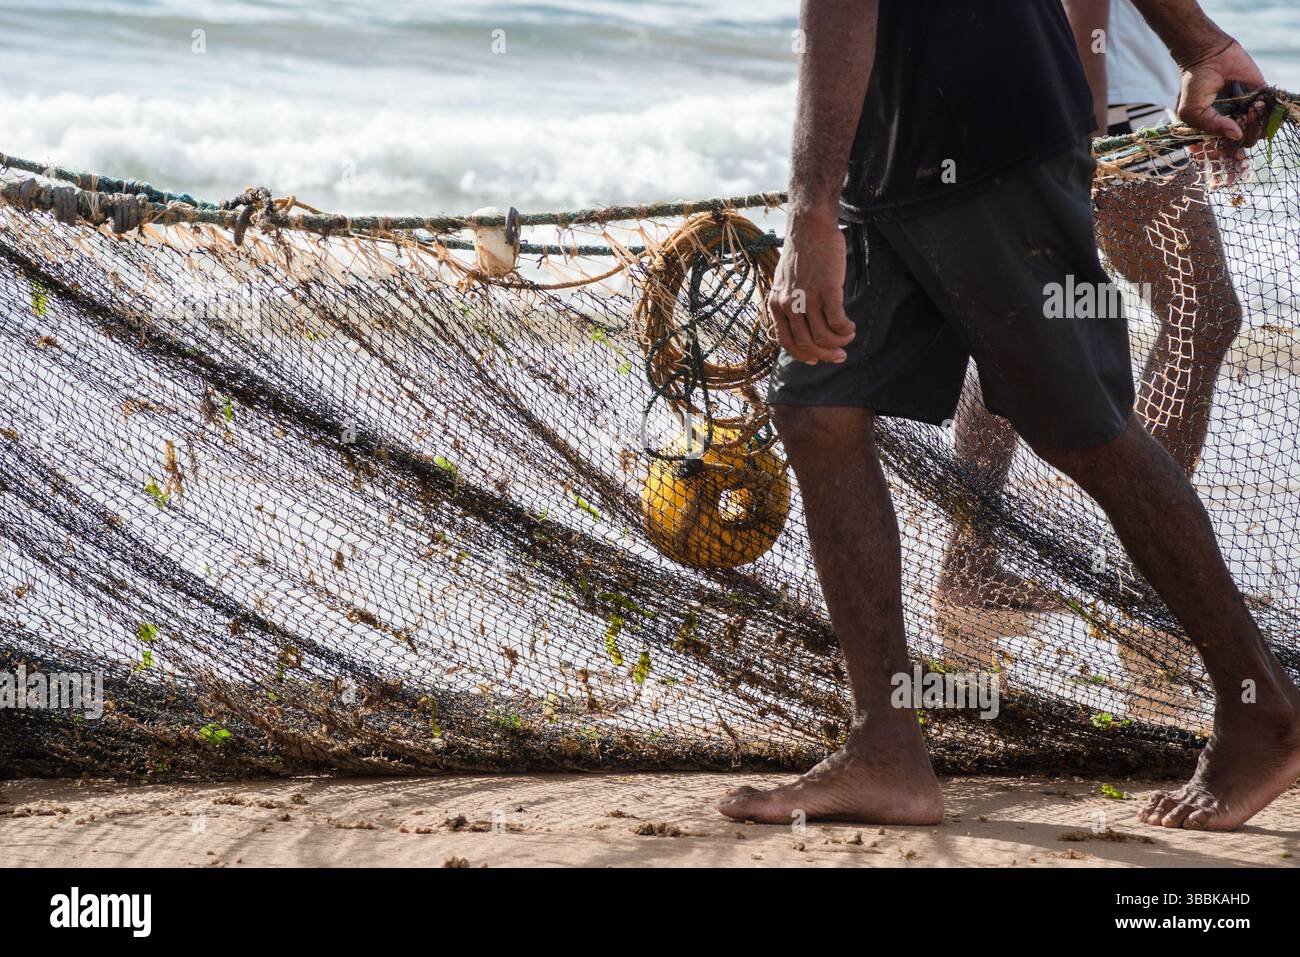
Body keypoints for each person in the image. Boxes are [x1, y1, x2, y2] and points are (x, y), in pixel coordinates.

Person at [717, 0, 1300, 831]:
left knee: (1083, 425)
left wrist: (808, 212)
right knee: (819, 403)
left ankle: (1265, 713)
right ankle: (885, 746)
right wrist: (1198, 41)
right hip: (890, 143)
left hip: (986, 129)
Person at [938, 0, 1247, 612]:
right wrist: (1083, 130)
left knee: (1016, 328)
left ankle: (968, 567)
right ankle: (1155, 570)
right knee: (1203, 312)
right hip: (1101, 114)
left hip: (1021, 105)